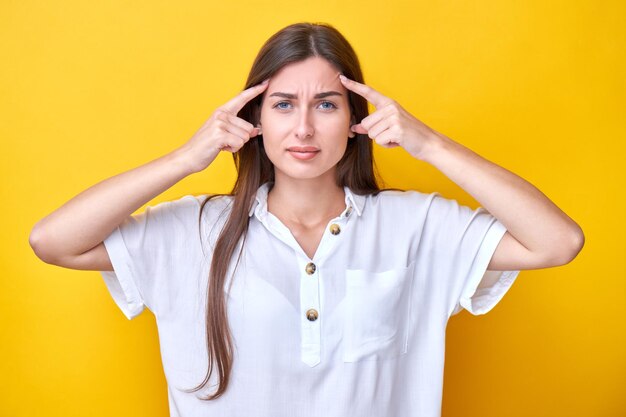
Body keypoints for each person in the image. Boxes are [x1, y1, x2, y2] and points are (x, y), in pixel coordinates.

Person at [29, 22, 584, 417]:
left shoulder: (416, 226)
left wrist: (430, 143)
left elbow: (558, 242)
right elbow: (53, 240)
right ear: (254, 120)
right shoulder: (195, 231)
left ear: (355, 121)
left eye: (325, 104)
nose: (303, 130)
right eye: (283, 104)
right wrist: (184, 159)